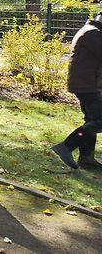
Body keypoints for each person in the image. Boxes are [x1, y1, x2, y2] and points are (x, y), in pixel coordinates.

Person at [52, 10, 102, 171]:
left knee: (92, 120)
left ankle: (86, 158)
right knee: (98, 121)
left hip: (86, 84)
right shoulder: (94, 34)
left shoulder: (91, 31)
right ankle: (67, 146)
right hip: (88, 85)